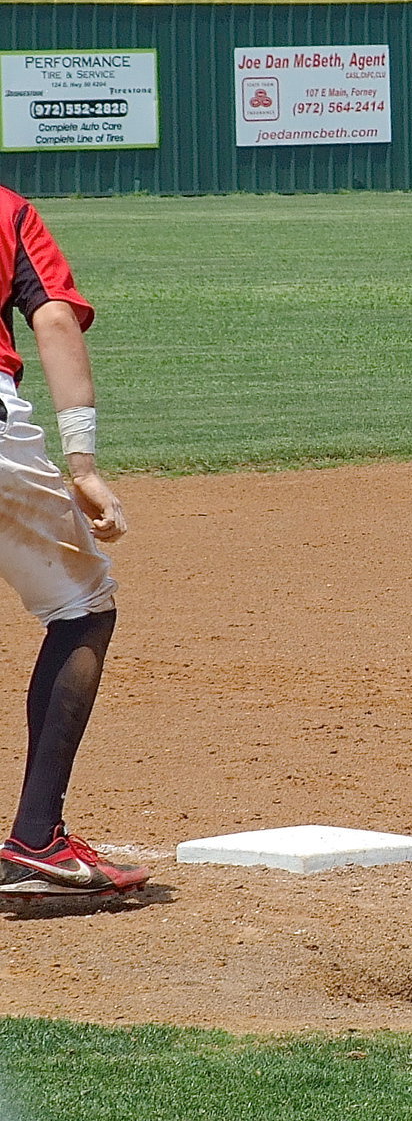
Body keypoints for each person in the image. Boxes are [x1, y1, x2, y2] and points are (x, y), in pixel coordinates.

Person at [0, 184, 150, 898]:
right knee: (83, 607)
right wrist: (82, 465)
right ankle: (37, 840)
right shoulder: (8, 210)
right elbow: (54, 320)